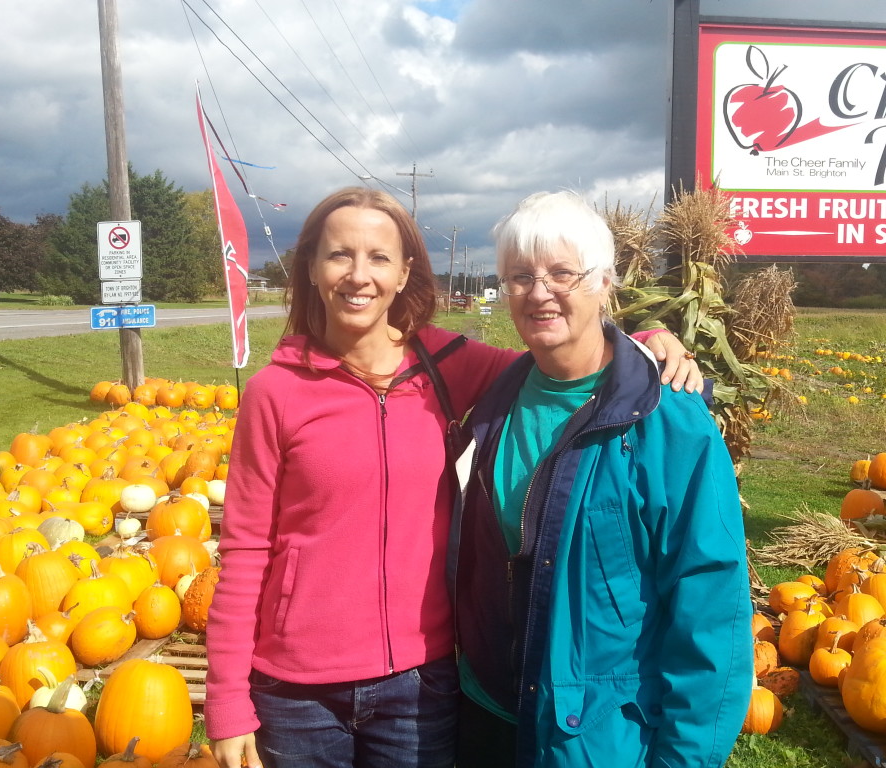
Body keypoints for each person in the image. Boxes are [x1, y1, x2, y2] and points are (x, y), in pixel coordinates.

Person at [204, 186, 703, 768]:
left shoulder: (446, 367)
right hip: (296, 692)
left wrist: (641, 344)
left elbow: (559, 360)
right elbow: (243, 551)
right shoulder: (276, 393)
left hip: (421, 682)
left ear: (404, 272)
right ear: (311, 267)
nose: (358, 275)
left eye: (379, 257)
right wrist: (228, 702)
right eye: (339, 255)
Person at [449, 190, 752, 768]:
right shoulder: (492, 401)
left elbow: (711, 605)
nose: (539, 292)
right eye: (520, 276)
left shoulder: (668, 420)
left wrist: (685, 758)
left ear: (605, 283)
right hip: (483, 711)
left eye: (562, 273)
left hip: (593, 737)